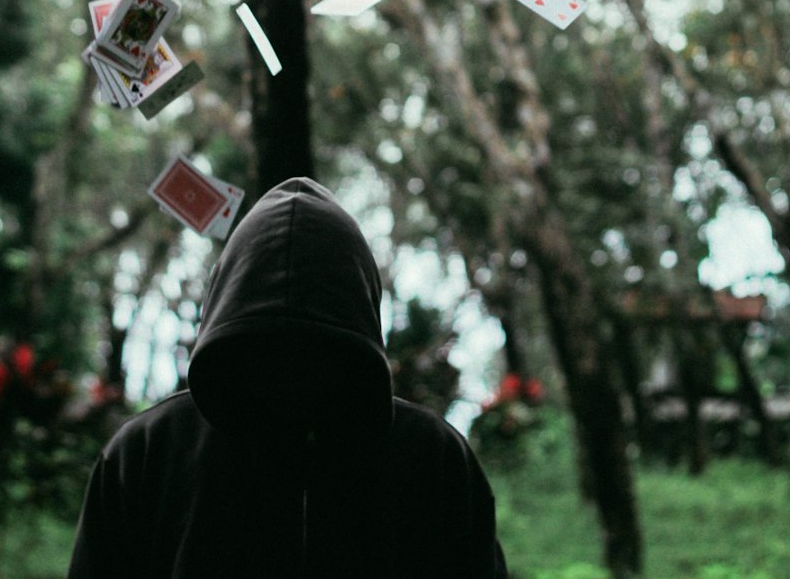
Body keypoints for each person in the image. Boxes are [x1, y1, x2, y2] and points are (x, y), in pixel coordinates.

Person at [68, 177, 509, 578]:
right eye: (269, 345)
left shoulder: (432, 459)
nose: (291, 369)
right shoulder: (146, 456)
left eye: (315, 347)